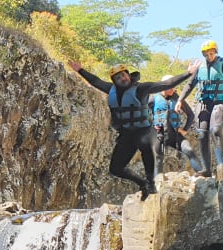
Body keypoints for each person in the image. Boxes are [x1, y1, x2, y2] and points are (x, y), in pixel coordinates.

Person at [68, 60, 201, 200]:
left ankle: (151, 183)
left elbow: (167, 84)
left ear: (129, 75)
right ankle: (142, 183)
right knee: (115, 169)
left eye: (124, 75)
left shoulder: (140, 89)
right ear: (114, 81)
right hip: (127, 133)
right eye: (118, 78)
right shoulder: (111, 89)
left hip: (144, 131)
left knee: (143, 142)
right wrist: (80, 70)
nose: (122, 79)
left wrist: (188, 73)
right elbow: (95, 81)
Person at [176, 40, 223, 181]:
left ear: (215, 52)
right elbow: (190, 84)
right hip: (204, 102)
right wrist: (180, 99)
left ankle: (222, 165)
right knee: (202, 134)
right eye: (206, 54)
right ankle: (207, 170)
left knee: (215, 130)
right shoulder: (199, 67)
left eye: (211, 53)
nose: (209, 56)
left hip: (221, 102)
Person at [151, 75, 203, 176]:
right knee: (157, 160)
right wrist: (151, 126)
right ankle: (156, 186)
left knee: (189, 150)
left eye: (174, 87)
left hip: (175, 134)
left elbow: (191, 115)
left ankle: (202, 175)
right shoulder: (153, 98)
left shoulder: (177, 98)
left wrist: (185, 129)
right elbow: (143, 113)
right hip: (159, 135)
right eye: (171, 87)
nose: (173, 90)